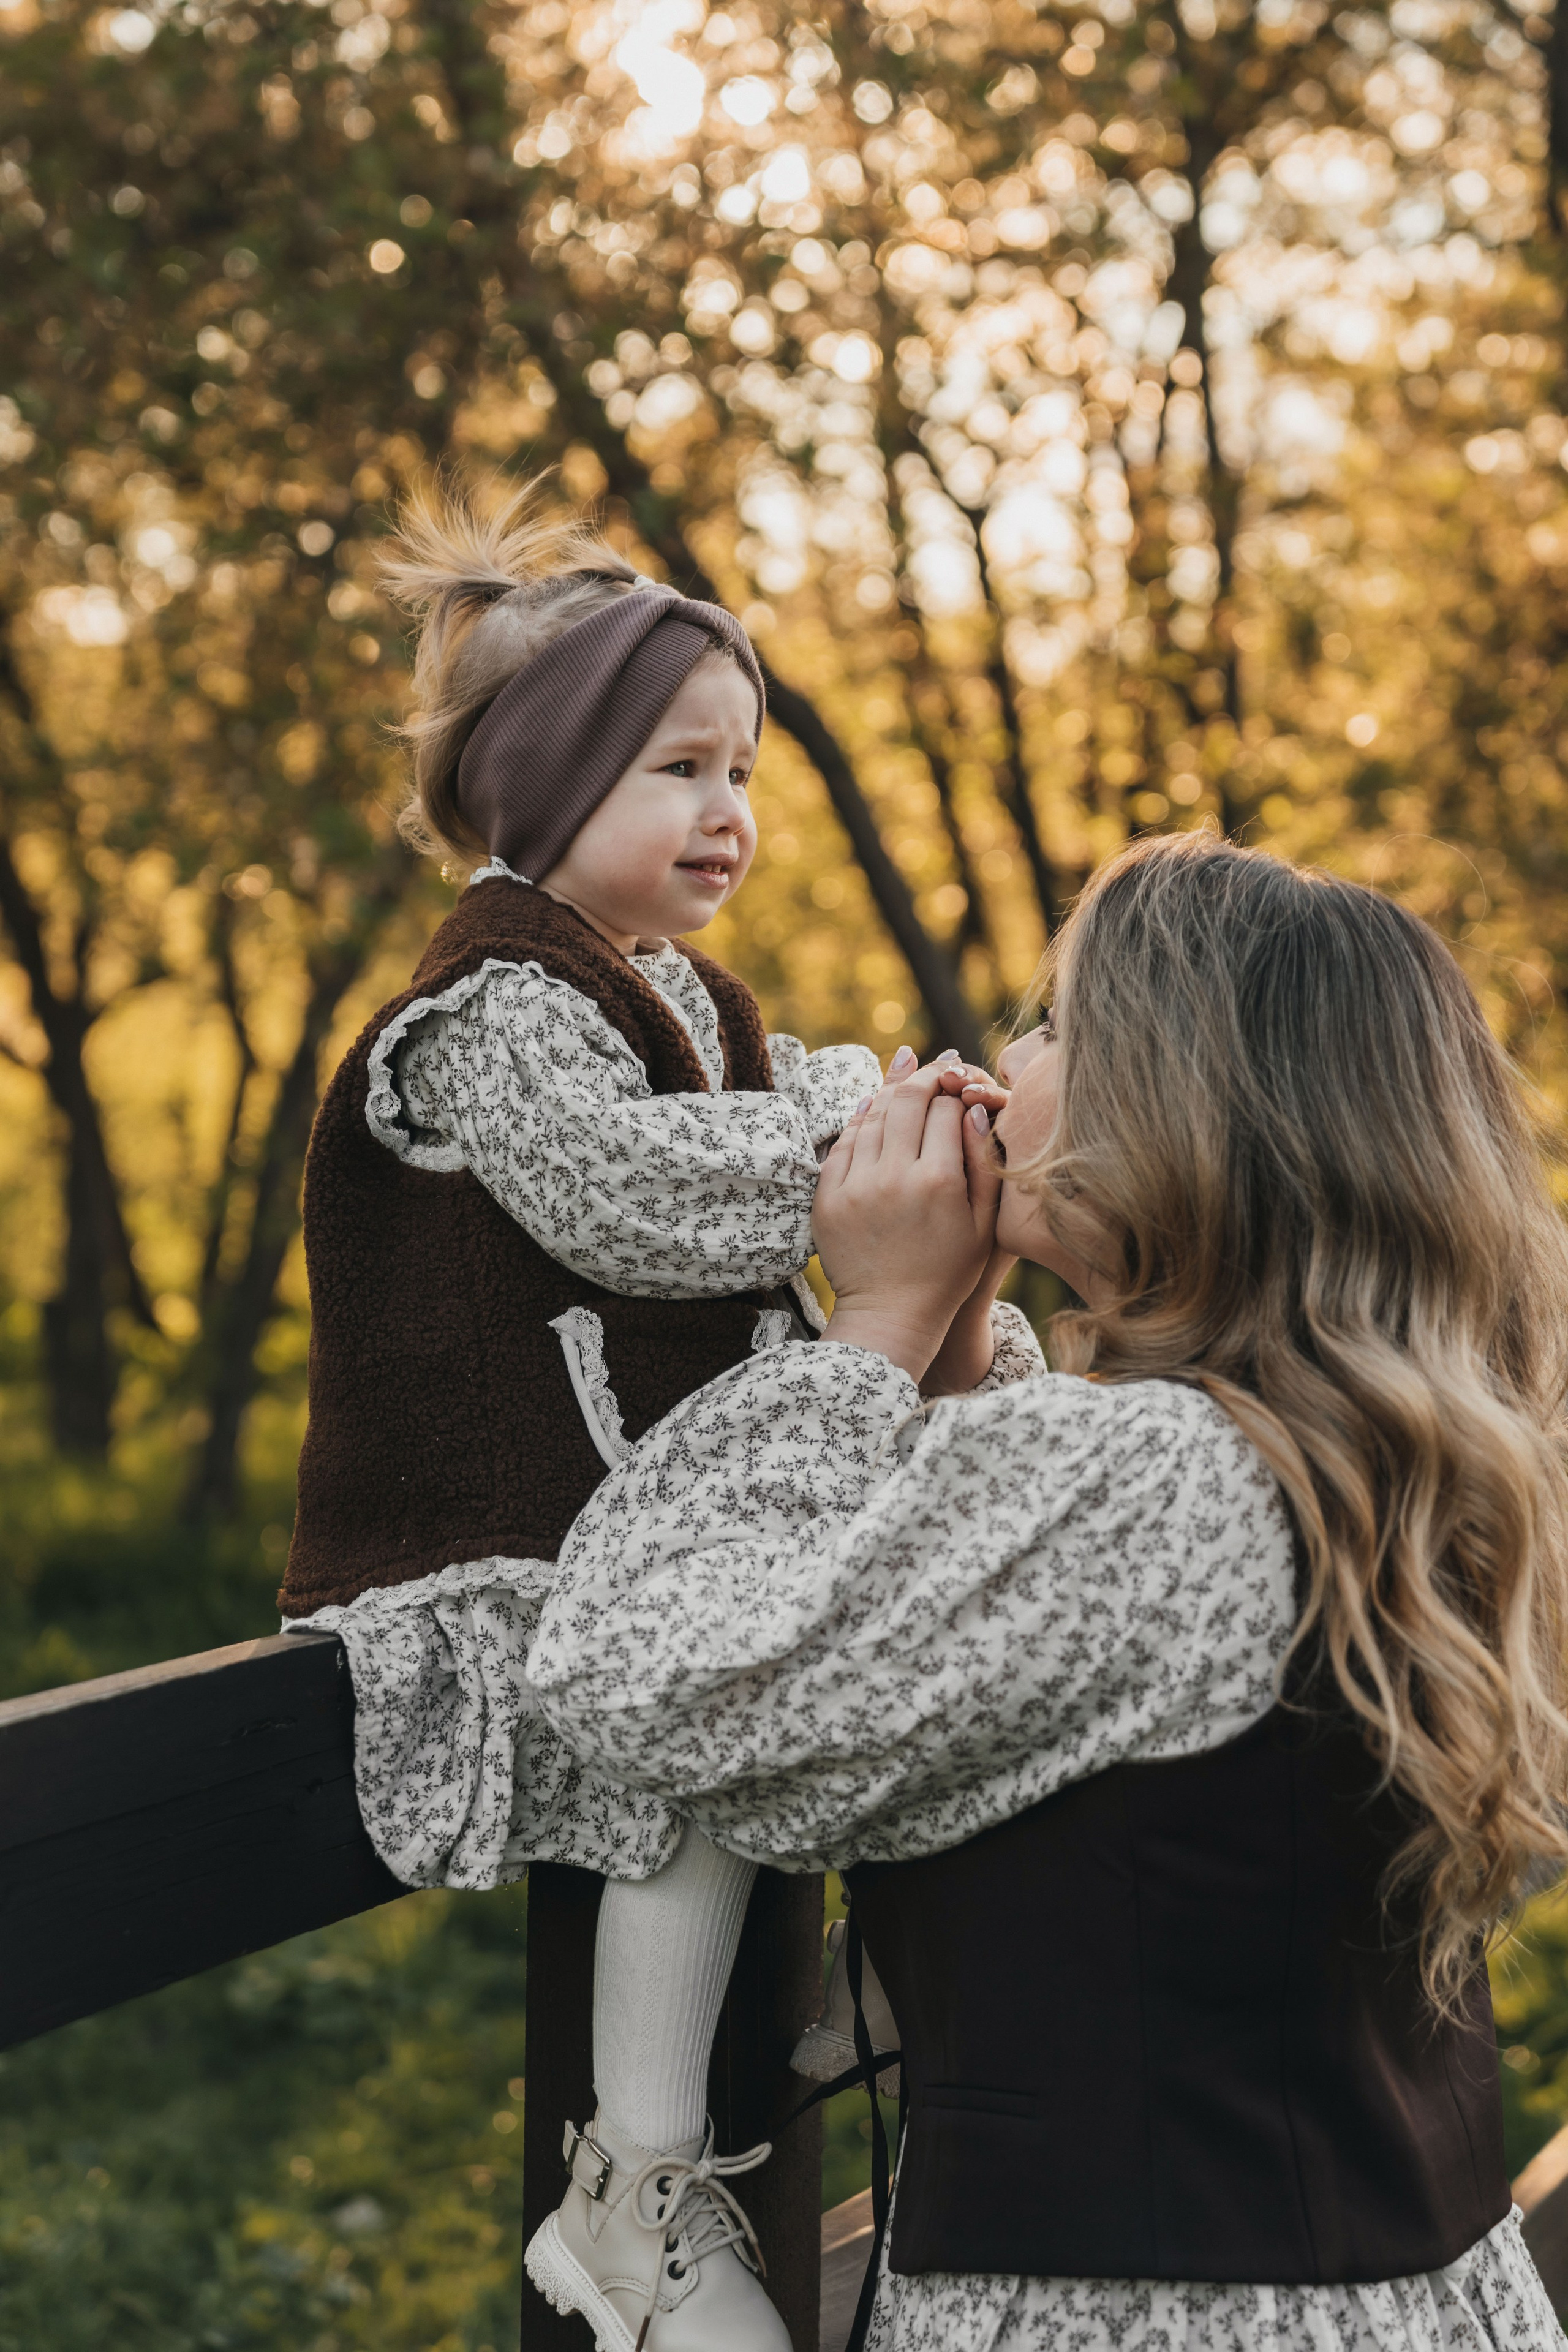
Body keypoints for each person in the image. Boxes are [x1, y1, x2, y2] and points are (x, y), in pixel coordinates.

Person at [529, 829, 1568, 2351]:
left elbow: (643, 1668)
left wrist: (871, 1326)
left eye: (1058, 1021)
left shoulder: (1138, 1481)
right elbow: (1004, 1673)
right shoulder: (1390, 1464)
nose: (1005, 1055)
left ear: (1184, 1110)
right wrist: (948, 1369)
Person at [274, 485, 1015, 2351]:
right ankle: (641, 2186)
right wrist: (871, 1161)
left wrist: (884, 1148)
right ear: (541, 792)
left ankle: (858, 1979)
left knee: (831, 1654)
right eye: (678, 767)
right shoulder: (488, 1012)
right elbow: (627, 1192)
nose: (731, 812)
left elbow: (746, 1148)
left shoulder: (689, 992)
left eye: (742, 767)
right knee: (677, 1766)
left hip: (647, 1511)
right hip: (507, 1520)